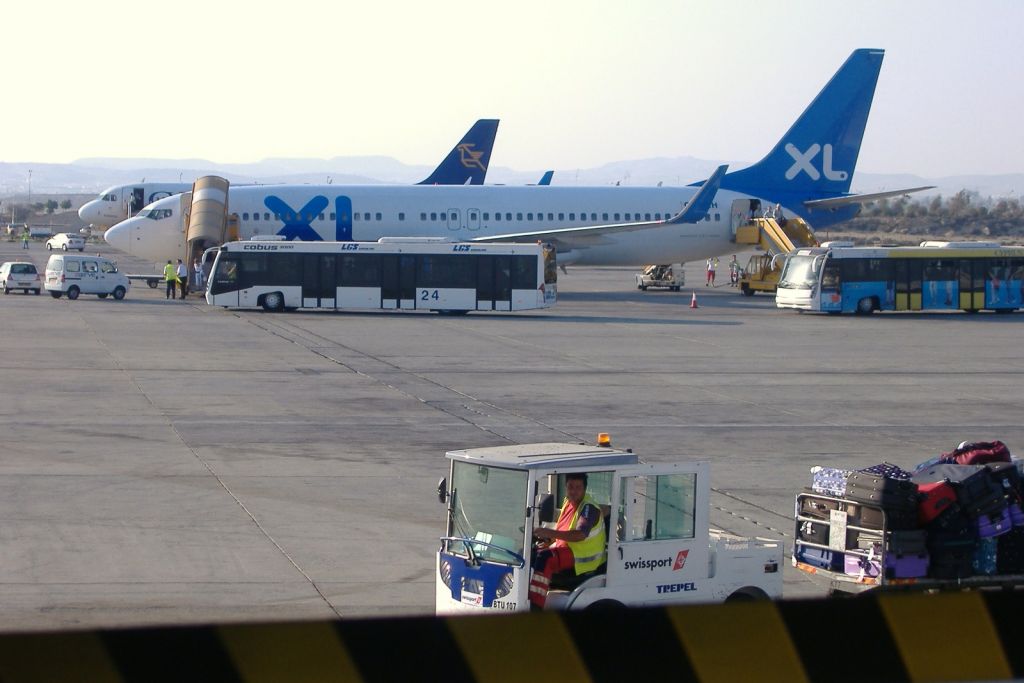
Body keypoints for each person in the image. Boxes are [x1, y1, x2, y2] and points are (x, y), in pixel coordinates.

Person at [528, 472, 606, 609]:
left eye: (578, 487)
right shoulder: (568, 502)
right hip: (569, 551)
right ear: (566, 487)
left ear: (584, 489)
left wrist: (548, 532)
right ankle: (520, 595)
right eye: (570, 487)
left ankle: (535, 607)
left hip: (583, 559)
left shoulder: (588, 508)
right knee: (530, 552)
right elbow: (563, 528)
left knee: (545, 558)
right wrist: (549, 540)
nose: (574, 491)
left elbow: (580, 534)